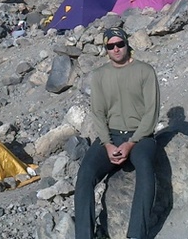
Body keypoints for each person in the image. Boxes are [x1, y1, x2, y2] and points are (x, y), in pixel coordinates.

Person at [74, 27, 160, 239]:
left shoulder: (145, 71)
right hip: (111, 136)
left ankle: (136, 235)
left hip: (140, 137)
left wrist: (131, 143)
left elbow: (152, 113)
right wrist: (108, 144)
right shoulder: (100, 75)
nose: (116, 49)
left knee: (146, 167)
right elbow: (98, 112)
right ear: (106, 49)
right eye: (110, 46)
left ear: (126, 44)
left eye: (119, 44)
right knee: (85, 175)